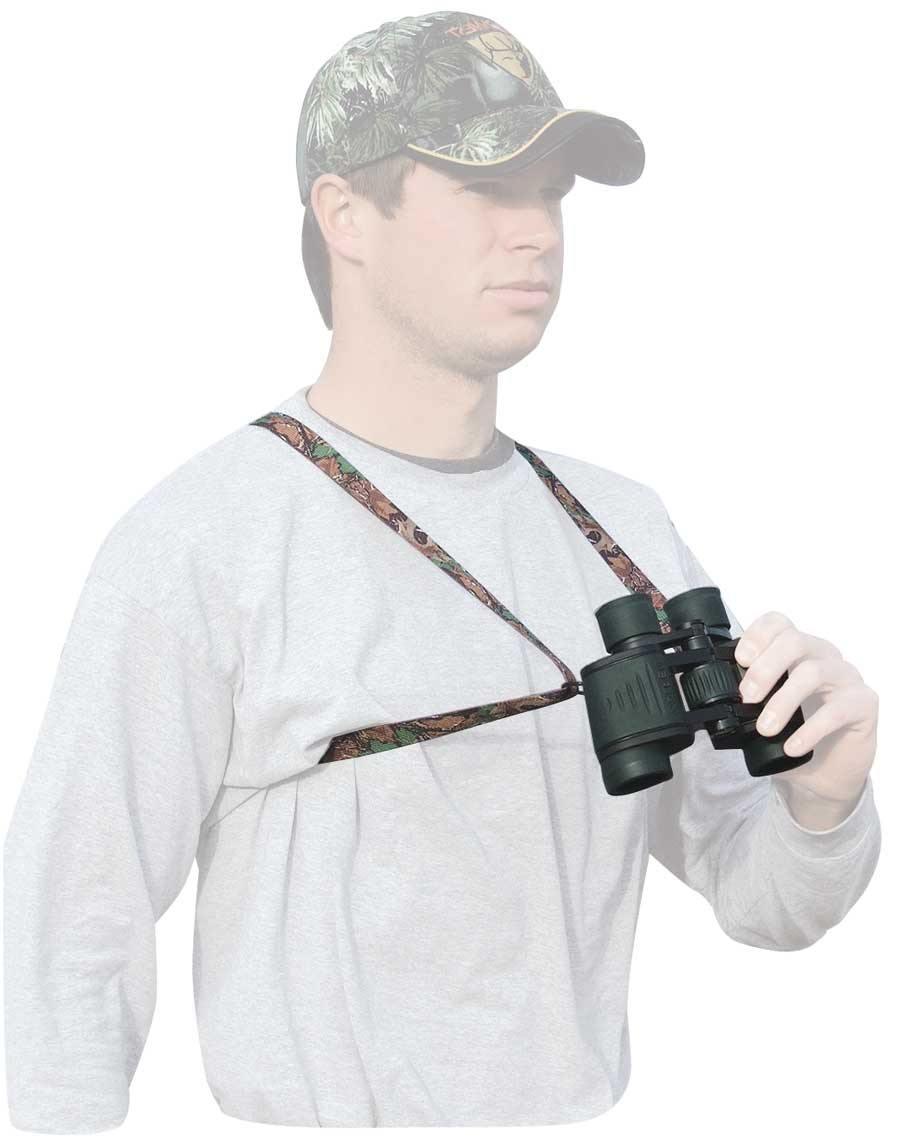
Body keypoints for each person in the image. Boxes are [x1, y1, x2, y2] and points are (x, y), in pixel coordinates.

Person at [3, 9, 881, 1132]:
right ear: (345, 215)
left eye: (553, 193)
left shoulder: (623, 528)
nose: (538, 234)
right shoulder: (204, 540)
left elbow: (762, 897)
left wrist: (824, 797)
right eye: (487, 188)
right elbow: (73, 918)